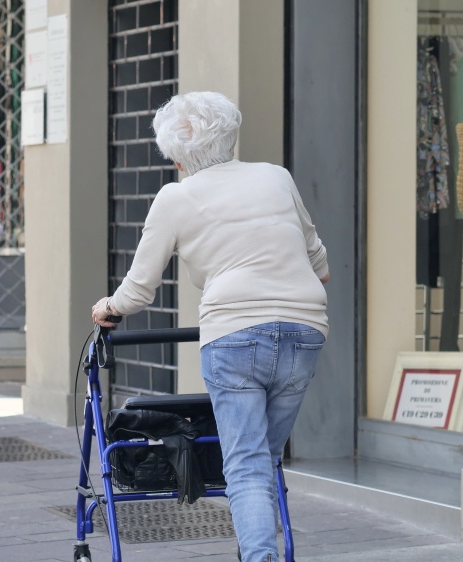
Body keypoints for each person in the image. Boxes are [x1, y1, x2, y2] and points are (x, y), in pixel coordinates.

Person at [91, 92, 329, 562]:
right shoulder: (275, 177)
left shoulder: (175, 197)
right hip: (305, 329)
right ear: (230, 135)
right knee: (264, 460)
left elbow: (139, 290)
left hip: (234, 334)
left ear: (177, 156)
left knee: (244, 466)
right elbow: (319, 262)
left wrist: (108, 308)